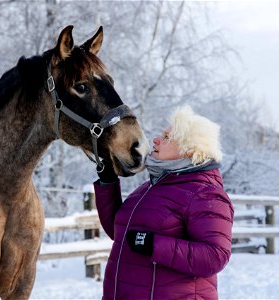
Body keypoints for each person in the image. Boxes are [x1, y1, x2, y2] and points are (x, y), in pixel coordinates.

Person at [94, 104, 234, 300]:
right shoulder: (151, 187)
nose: (156, 140)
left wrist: (153, 244)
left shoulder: (205, 194)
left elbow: (215, 256)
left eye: (167, 137)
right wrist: (108, 183)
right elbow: (122, 235)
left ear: (189, 150)